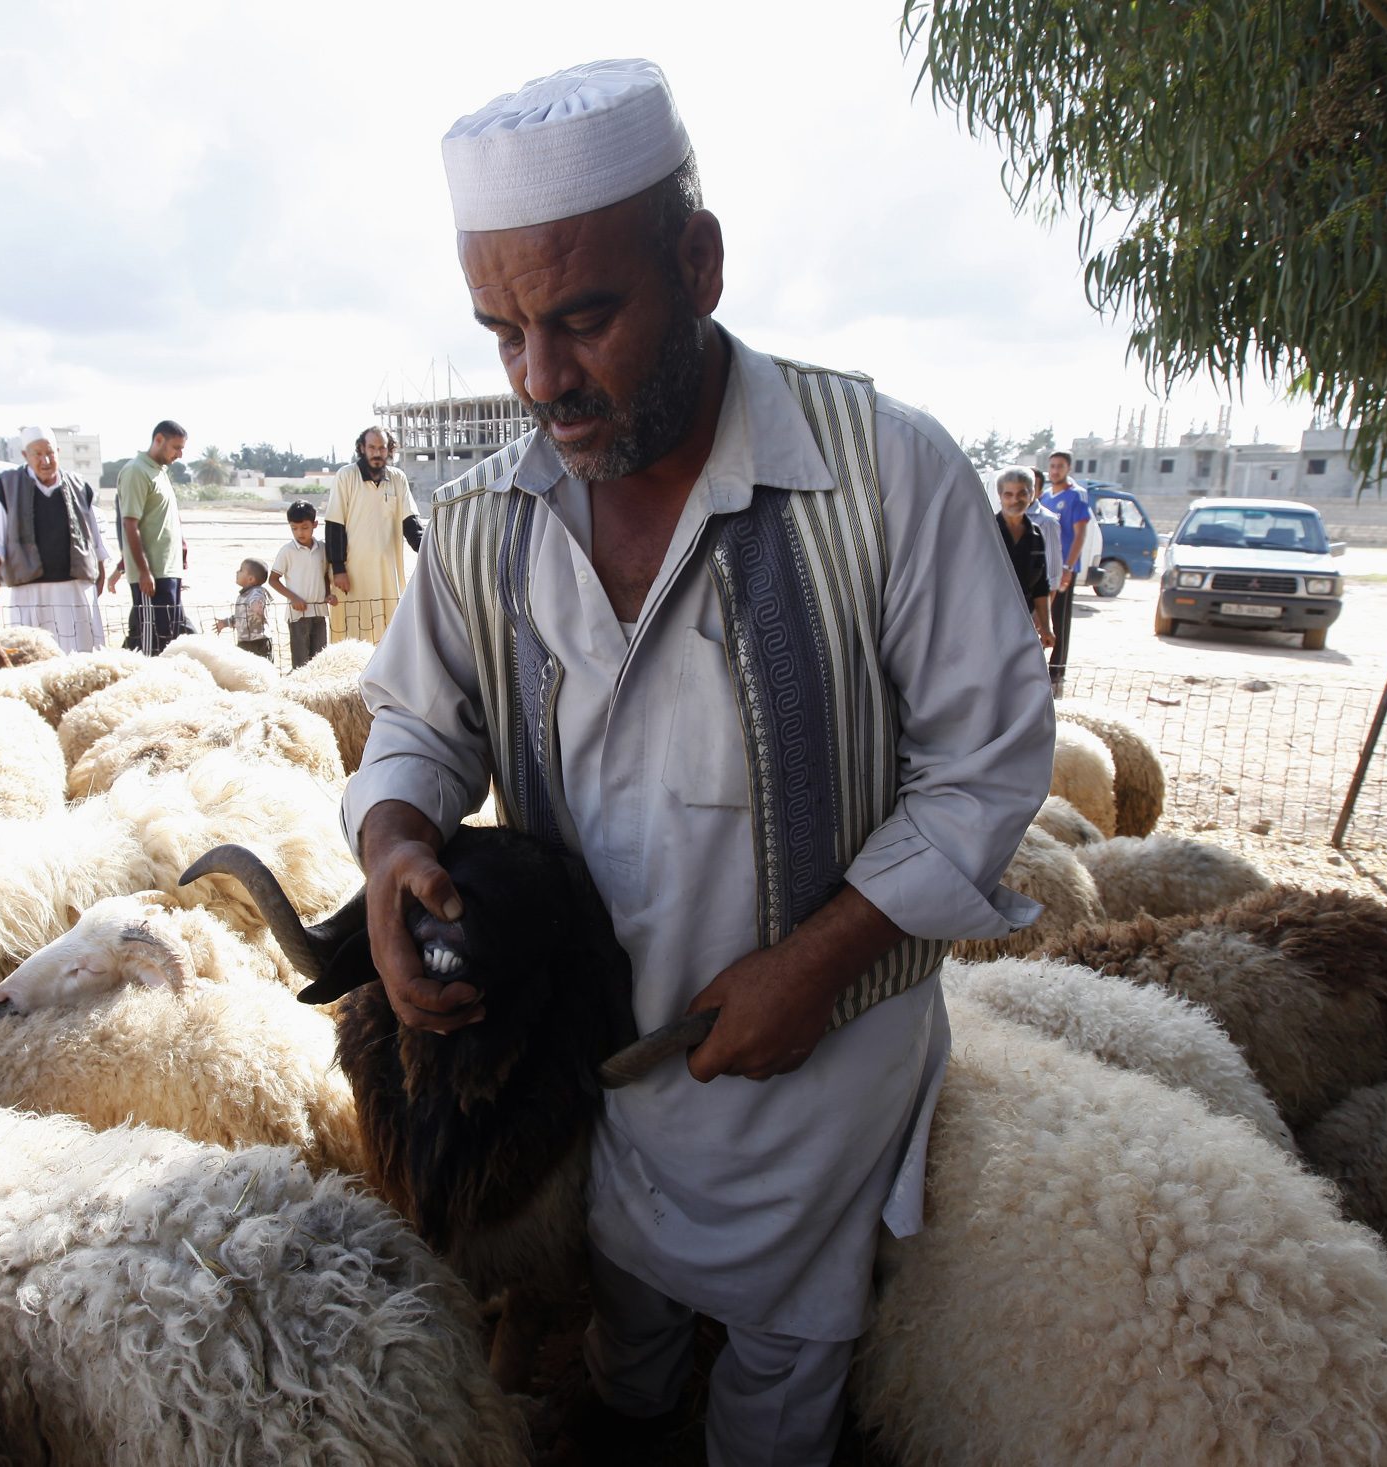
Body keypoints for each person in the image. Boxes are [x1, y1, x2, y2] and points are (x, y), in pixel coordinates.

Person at [347, 60, 1051, 1466]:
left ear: (699, 263)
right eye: (503, 334)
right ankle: (630, 1405)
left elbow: (985, 760)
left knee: (785, 1362)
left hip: (813, 1068)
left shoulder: (884, 473)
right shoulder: (484, 519)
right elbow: (419, 723)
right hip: (591, 1057)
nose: (541, 380)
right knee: (625, 1300)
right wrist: (395, 843)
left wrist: (822, 961)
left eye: (582, 318)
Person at [0, 427, 109, 652]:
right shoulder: (8, 487)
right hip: (29, 589)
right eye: (38, 454)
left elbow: (93, 534)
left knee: (80, 652)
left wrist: (101, 569)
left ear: (58, 452)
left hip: (75, 587)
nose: (46, 460)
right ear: (25, 456)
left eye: (50, 453)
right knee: (34, 653)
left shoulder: (79, 486)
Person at [324, 427, 423, 642]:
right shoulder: (346, 476)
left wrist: (428, 551)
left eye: (382, 448)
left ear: (389, 450)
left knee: (389, 634)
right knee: (352, 633)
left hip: (388, 573)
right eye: (372, 447)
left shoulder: (397, 478)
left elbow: (411, 522)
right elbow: (334, 523)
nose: (377, 453)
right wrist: (338, 568)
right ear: (362, 448)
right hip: (352, 574)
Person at [117, 420, 190, 654]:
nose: (179, 455)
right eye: (176, 448)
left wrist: (182, 548)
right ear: (159, 440)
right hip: (152, 576)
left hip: (169, 571)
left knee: (171, 640)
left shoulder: (160, 472)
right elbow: (129, 523)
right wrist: (144, 571)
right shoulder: (136, 471)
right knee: (151, 646)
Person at [1037, 450, 1091, 692]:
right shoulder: (1046, 497)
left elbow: (1080, 534)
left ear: (1068, 468)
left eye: (1060, 466)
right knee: (1040, 617)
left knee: (1058, 620)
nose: (1055, 470)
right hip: (1044, 568)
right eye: (1052, 466)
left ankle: (1057, 671)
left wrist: (1069, 566)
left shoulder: (1076, 496)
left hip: (1063, 569)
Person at [994, 468, 1056, 652]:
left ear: (1032, 495)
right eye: (1008, 494)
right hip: (989, 625)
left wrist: (1046, 627)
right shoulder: (987, 532)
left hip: (1022, 624)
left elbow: (1040, 587)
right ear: (1000, 496)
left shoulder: (1036, 536)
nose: (1015, 500)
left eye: (1022, 493)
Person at [270, 500, 335, 669]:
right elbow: (273, 579)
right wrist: (293, 598)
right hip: (297, 615)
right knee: (300, 662)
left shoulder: (322, 548)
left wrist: (328, 594)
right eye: (294, 528)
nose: (299, 532)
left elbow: (324, 574)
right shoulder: (287, 551)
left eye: (305, 527)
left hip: (319, 611)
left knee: (319, 660)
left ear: (315, 525)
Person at [214, 557, 272, 661]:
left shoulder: (257, 592)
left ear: (251, 579)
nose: (237, 572)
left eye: (241, 570)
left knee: (261, 667)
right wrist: (226, 623)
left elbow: (257, 602)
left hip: (259, 642)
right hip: (244, 642)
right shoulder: (243, 595)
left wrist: (257, 607)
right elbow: (241, 617)